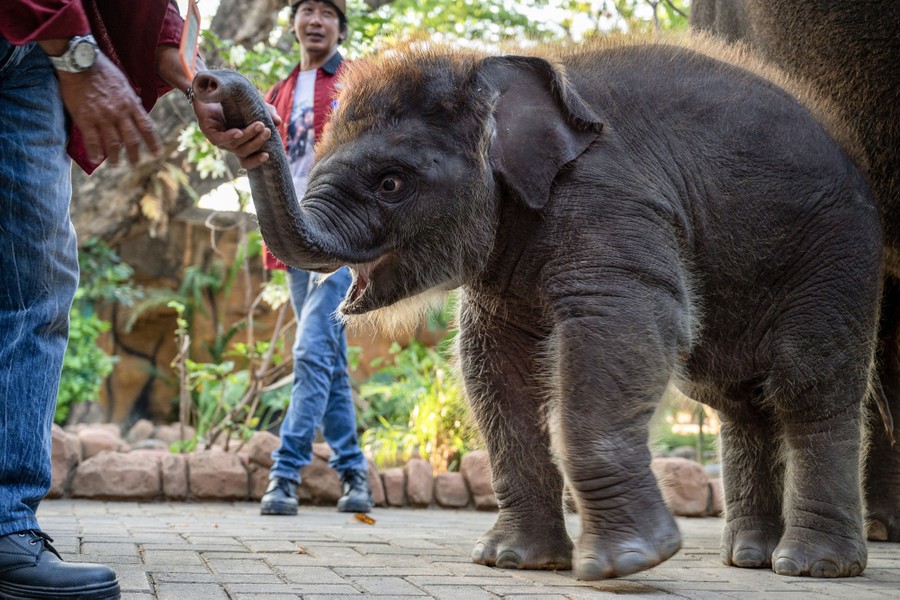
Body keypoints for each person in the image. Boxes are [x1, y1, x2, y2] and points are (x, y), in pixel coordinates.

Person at [0, 2, 275, 597]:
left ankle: (6, 529)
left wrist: (189, 79)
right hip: (45, 36)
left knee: (36, 285)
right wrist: (75, 50)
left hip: (36, 59)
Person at [259, 0, 373, 516]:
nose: (315, 20)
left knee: (308, 353)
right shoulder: (278, 92)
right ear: (294, 23)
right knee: (329, 362)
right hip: (294, 241)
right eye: (306, 9)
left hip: (340, 239)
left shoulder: (356, 80)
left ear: (339, 27)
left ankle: (284, 476)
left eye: (327, 12)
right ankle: (355, 476)